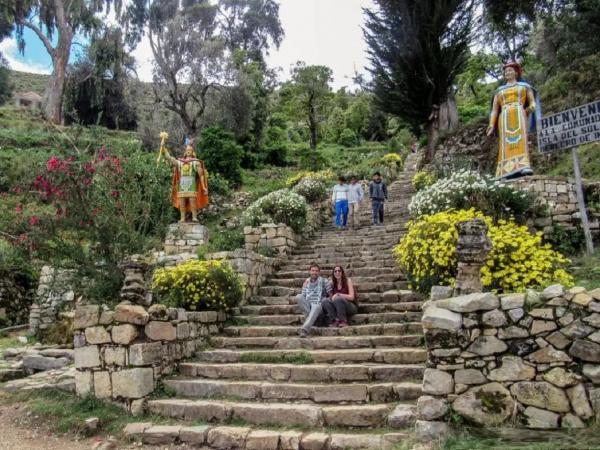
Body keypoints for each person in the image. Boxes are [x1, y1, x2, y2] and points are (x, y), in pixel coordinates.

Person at [486, 61, 537, 179]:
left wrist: (531, 108)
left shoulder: (524, 87)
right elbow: (494, 110)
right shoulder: (499, 90)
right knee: (505, 142)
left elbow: (532, 101)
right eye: (506, 71)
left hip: (520, 113)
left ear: (516, 72)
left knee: (521, 139)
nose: (507, 72)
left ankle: (523, 165)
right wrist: (491, 124)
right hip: (504, 117)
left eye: (510, 70)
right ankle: (504, 170)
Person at [163, 143, 209, 222]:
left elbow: (201, 176)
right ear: (185, 152)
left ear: (193, 152)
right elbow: (170, 159)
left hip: (192, 184)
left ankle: (194, 217)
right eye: (187, 150)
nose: (188, 151)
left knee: (192, 202)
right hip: (182, 184)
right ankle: (182, 218)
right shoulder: (180, 162)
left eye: (190, 150)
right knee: (182, 202)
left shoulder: (196, 162)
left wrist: (204, 187)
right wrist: (163, 148)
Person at [296, 263, 332, 337]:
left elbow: (330, 295)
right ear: (310, 272)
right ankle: (312, 319)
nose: (314, 272)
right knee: (298, 296)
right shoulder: (306, 282)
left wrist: (324, 300)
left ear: (319, 272)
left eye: (316, 271)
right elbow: (304, 296)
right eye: (313, 271)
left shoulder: (324, 281)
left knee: (316, 306)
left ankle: (304, 329)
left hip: (319, 306)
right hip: (309, 305)